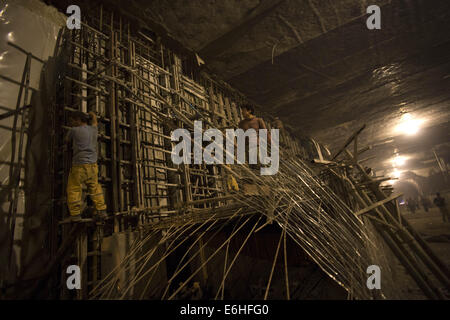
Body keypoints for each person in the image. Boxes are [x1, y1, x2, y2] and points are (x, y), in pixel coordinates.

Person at [65, 111, 107, 222]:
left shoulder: (73, 131)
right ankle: (102, 210)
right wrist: (91, 115)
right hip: (93, 165)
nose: (71, 123)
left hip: (79, 165)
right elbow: (94, 120)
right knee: (95, 188)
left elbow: (66, 141)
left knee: (73, 189)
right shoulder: (93, 130)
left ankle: (75, 215)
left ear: (78, 120)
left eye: (72, 121)